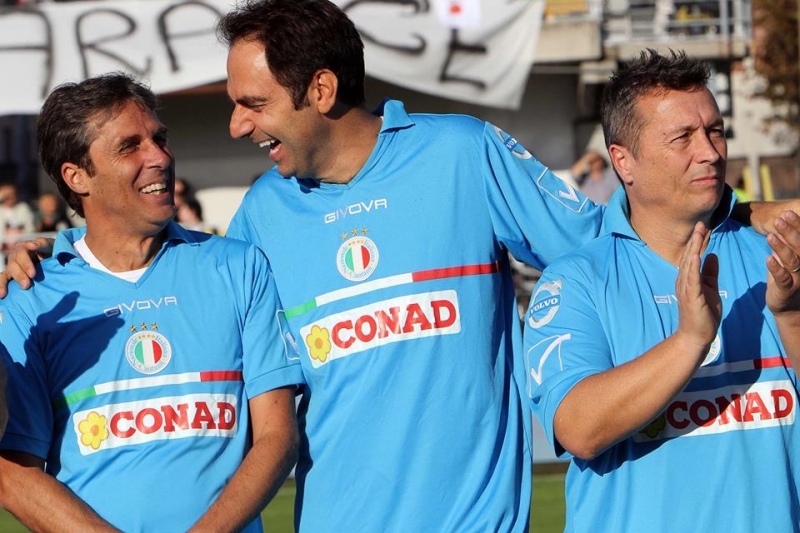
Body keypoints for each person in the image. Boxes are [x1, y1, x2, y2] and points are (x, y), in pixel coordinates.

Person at [2, 3, 796, 531]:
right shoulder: (261, 217)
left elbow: (607, 232)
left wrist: (741, 213)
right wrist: (49, 254)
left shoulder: (464, 154)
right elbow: (167, 292)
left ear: (320, 89)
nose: (237, 124)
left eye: (253, 102)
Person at [0, 73, 303, 532]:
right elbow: (14, 473)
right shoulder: (32, 297)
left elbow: (277, 436)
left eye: (159, 139)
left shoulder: (237, 266)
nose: (159, 157)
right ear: (76, 176)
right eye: (130, 146)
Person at [524, 49, 800, 532]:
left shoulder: (778, 255)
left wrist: (791, 316)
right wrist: (689, 341)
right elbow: (578, 428)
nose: (710, 152)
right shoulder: (575, 281)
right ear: (623, 161)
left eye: (715, 130)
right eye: (682, 137)